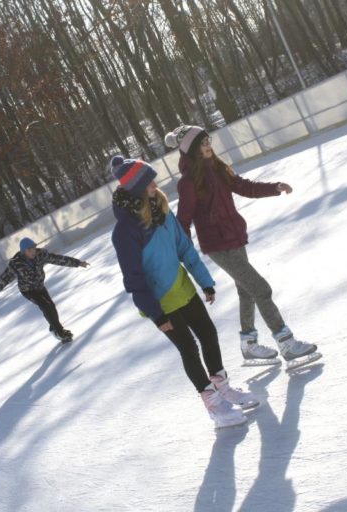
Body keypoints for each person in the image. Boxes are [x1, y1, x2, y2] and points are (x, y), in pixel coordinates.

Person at [109, 155, 256, 428]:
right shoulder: (125, 231)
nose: (155, 185)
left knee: (208, 335)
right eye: (148, 182)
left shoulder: (162, 211)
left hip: (183, 288)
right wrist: (156, 314)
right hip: (161, 301)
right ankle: (213, 404)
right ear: (136, 189)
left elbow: (184, 248)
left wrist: (204, 281)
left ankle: (223, 388)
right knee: (188, 348)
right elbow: (133, 278)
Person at [165, 125, 319, 369]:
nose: (208, 146)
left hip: (235, 238)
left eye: (208, 140)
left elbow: (245, 187)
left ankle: (249, 344)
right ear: (192, 149)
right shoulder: (189, 183)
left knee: (246, 291)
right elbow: (183, 220)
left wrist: (274, 187)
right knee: (260, 288)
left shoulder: (217, 168)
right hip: (218, 245)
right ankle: (286, 342)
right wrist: (183, 253)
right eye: (202, 143)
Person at [0, 237, 89, 343]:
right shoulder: (16, 264)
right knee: (46, 306)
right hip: (28, 290)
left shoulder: (41, 255)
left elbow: (58, 259)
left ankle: (54, 329)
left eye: (34, 248)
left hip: (40, 286)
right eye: (29, 250)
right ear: (23, 251)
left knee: (51, 306)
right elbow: (5, 277)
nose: (33, 251)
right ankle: (60, 332)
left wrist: (78, 263)